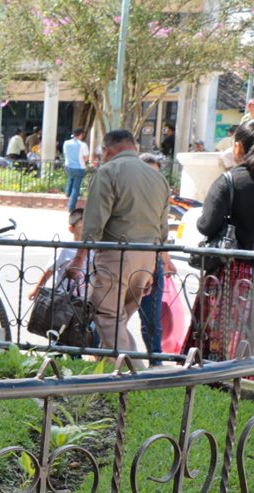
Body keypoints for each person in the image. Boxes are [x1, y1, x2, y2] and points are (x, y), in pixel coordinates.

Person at [70, 129, 170, 368]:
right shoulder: (158, 177)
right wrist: (155, 267)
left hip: (117, 254)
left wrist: (78, 259)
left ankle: (134, 376)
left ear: (107, 150)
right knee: (119, 319)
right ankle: (106, 381)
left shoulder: (108, 171)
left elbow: (93, 223)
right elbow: (162, 229)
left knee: (107, 316)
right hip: (146, 259)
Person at [183, 119, 254, 360]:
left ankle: (216, 377)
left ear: (238, 147)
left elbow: (206, 225)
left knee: (219, 333)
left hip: (232, 273)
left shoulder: (231, 181)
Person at [136, 152, 179, 363]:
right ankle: (99, 355)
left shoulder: (160, 197)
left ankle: (156, 361)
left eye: (157, 175)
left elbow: (161, 232)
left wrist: (165, 259)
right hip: (126, 262)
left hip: (152, 263)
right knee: (112, 317)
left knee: (152, 317)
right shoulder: (130, 195)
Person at [62, 127, 88, 212]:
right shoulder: (83, 145)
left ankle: (67, 193)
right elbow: (86, 157)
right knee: (76, 188)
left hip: (68, 166)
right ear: (81, 135)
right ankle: (71, 206)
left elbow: (65, 153)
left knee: (70, 179)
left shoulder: (66, 143)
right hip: (79, 167)